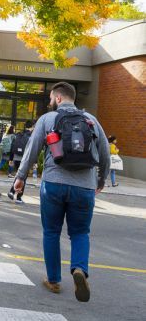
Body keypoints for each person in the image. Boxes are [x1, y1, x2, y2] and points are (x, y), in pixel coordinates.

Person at [14, 82, 110, 302]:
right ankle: (79, 269)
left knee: (51, 232)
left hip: (54, 183)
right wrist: (101, 179)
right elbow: (104, 152)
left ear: (58, 98)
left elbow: (32, 149)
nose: (50, 101)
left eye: (50, 98)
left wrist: (20, 178)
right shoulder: (91, 121)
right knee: (80, 232)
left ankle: (54, 280)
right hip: (85, 186)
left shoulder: (47, 119)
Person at [7, 120, 35, 204]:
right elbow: (32, 150)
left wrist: (11, 159)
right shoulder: (31, 136)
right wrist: (35, 162)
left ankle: (12, 192)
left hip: (16, 158)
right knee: (23, 178)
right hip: (25, 159)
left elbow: (12, 147)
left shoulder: (18, 134)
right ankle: (18, 197)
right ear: (33, 126)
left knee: (19, 175)